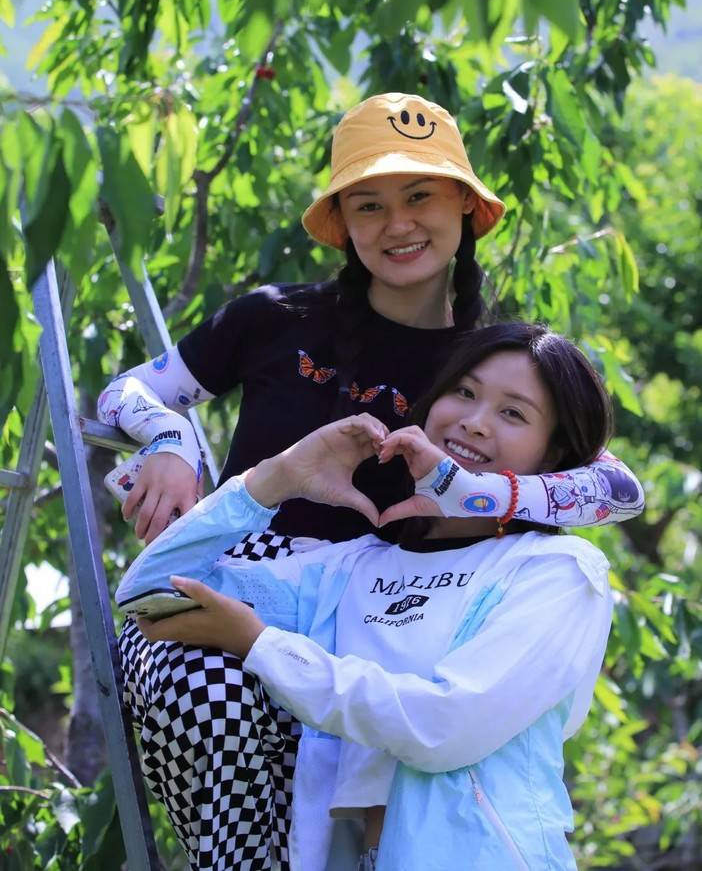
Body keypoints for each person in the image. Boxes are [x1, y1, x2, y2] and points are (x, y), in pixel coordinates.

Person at [100, 93, 643, 869]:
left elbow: (617, 487)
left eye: (420, 196)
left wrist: (478, 492)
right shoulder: (273, 318)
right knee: (212, 688)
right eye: (370, 204)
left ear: (465, 206)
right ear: (342, 221)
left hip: (370, 619)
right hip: (231, 586)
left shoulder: (483, 368)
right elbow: (128, 389)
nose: (397, 224)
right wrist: (171, 439)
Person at [117, 323, 616, 871]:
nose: (475, 421)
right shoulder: (355, 569)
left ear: (554, 454)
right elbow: (150, 591)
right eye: (464, 392)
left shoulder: (557, 571)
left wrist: (261, 646)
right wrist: (278, 477)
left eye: (513, 413)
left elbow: (444, 727)